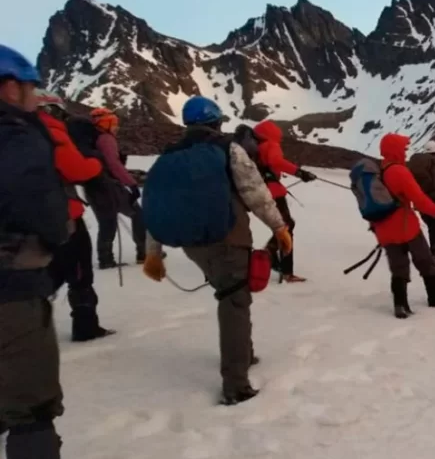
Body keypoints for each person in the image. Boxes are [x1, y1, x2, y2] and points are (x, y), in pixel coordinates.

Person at [142, 96, 291, 406]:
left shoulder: (169, 156)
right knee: (234, 301)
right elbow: (254, 192)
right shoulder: (228, 150)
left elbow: (157, 204)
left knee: (231, 294)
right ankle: (236, 384)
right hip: (227, 237)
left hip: (193, 245)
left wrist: (153, 251)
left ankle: (244, 354)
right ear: (216, 122)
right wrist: (279, 227)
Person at [0, 44, 71, 459]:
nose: (34, 98)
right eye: (30, 88)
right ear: (10, 88)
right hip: (11, 290)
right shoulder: (15, 135)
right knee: (31, 410)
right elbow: (45, 211)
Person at [36, 90, 115, 342]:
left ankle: (22, 320)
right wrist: (95, 163)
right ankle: (85, 325)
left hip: (28, 216)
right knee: (78, 270)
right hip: (63, 213)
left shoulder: (14, 131)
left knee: (45, 269)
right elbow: (77, 170)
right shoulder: (51, 132)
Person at [373, 133, 435, 318]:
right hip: (406, 226)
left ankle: (400, 305)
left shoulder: (380, 170)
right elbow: (419, 199)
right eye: (403, 148)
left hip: (384, 228)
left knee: (398, 267)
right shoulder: (399, 171)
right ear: (395, 150)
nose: (405, 152)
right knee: (425, 261)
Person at [252, 120, 316, 283]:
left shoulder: (255, 147)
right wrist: (300, 172)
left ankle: (275, 258)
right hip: (273, 192)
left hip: (260, 191)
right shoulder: (271, 145)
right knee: (286, 226)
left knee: (284, 225)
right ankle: (276, 260)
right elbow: (276, 161)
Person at [86, 107, 146, 268]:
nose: (116, 127)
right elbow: (114, 164)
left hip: (92, 186)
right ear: (106, 123)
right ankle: (144, 252)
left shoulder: (90, 139)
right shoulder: (106, 139)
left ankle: (105, 258)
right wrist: (131, 184)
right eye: (113, 123)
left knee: (107, 221)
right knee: (138, 215)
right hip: (109, 186)